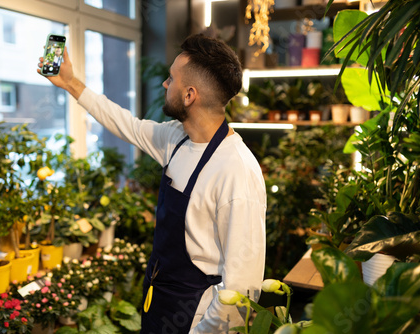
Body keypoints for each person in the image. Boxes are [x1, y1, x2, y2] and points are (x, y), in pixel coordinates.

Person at [37, 33, 266, 333]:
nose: (164, 84)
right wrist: (70, 82)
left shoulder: (237, 172)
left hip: (196, 319)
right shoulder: (177, 138)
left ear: (189, 96)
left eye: (171, 79)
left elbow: (242, 289)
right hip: (159, 298)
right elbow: (126, 124)